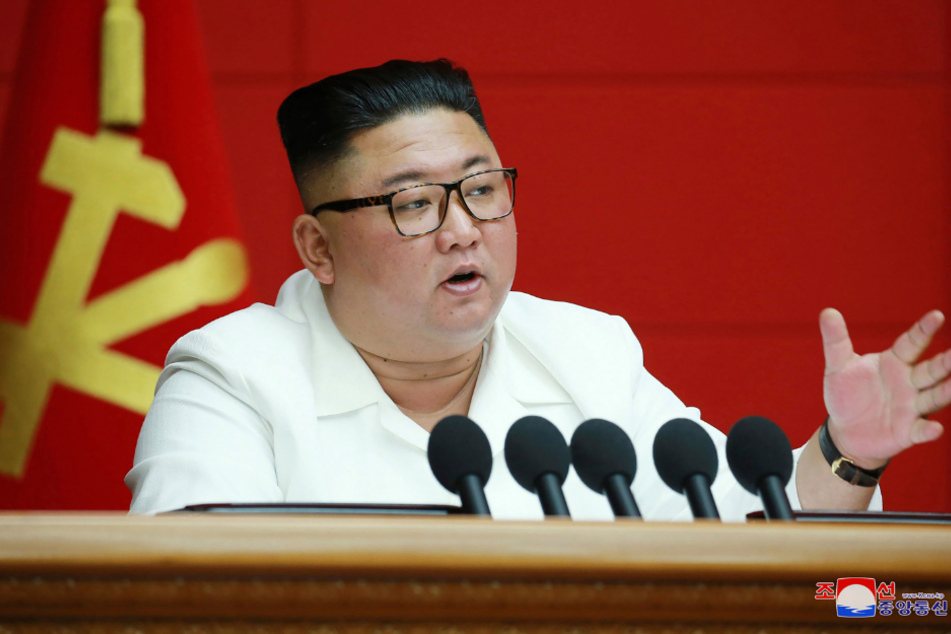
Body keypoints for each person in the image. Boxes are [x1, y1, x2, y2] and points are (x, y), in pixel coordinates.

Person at [125, 59, 950, 519]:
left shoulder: (584, 350)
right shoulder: (231, 375)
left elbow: (745, 529)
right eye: (414, 203)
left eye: (481, 189)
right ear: (318, 248)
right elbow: (186, 592)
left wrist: (847, 451)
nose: (462, 228)